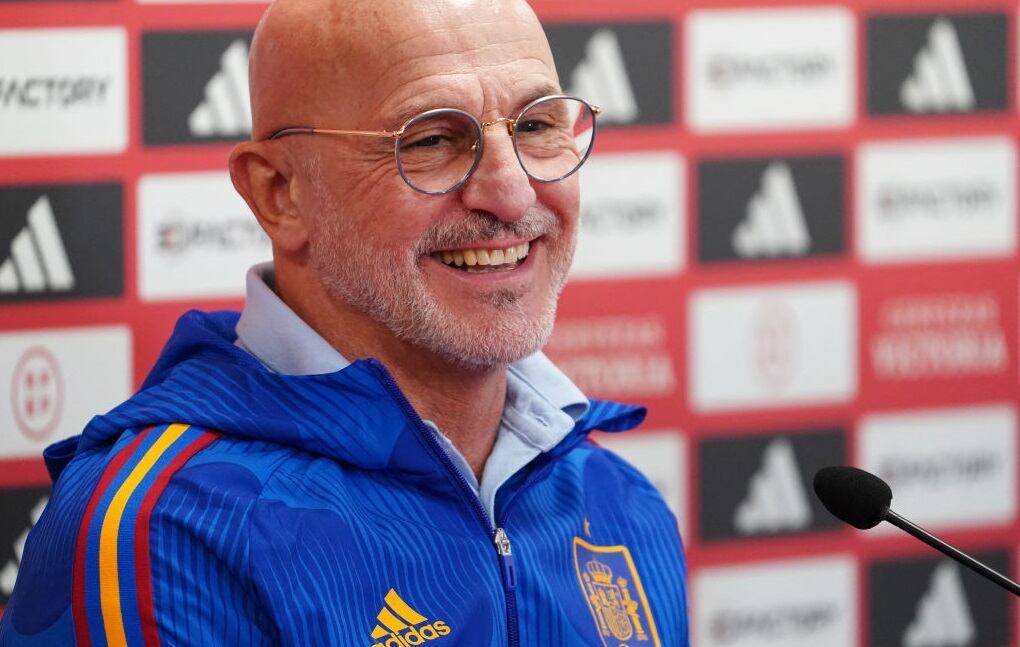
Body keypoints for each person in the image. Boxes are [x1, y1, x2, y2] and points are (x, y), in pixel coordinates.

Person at [0, 0, 689, 644]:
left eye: (536, 126)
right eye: (431, 139)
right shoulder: (163, 530)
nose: (510, 193)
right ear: (279, 193)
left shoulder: (621, 501)